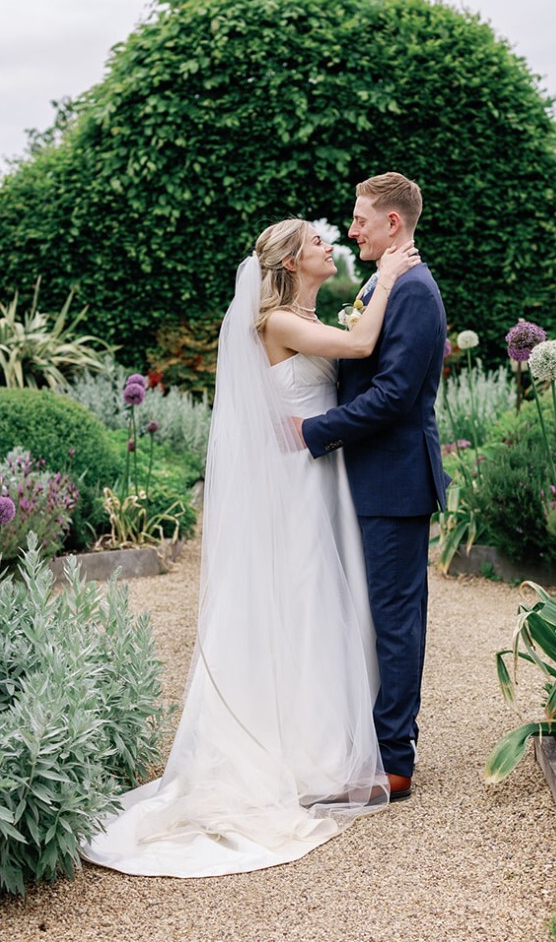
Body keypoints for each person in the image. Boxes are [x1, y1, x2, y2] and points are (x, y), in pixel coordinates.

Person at [80, 219, 419, 878]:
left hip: (320, 474)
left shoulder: (298, 315)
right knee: (306, 597)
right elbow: (360, 341)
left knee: (324, 602)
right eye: (319, 242)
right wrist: (392, 277)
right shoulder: (278, 323)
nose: (332, 246)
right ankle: (309, 756)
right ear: (293, 261)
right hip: (296, 483)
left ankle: (325, 746)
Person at [295, 173, 450, 801]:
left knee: (395, 620)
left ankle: (393, 761)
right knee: (377, 613)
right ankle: (369, 739)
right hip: (371, 477)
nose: (350, 228)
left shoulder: (414, 289)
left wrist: (313, 429)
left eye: (361, 219)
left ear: (393, 223)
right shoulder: (384, 282)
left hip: (394, 481)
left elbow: (392, 396)